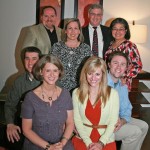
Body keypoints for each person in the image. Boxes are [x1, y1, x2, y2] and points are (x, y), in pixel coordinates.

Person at [21, 55, 74, 150]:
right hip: (36, 145)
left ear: (59, 72)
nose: (52, 74)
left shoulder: (65, 94)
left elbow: (70, 122)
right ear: (41, 71)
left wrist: (63, 142)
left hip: (61, 144)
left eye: (55, 70)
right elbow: (26, 130)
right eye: (48, 70)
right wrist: (49, 147)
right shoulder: (30, 97)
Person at [72, 56, 119, 150]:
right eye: (90, 73)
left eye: (97, 74)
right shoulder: (76, 93)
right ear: (85, 74)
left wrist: (101, 143)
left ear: (103, 75)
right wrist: (89, 143)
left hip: (106, 140)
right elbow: (77, 120)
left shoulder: (113, 94)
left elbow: (113, 121)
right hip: (83, 138)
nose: (93, 78)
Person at [107, 51, 148, 150]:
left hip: (118, 120)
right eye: (115, 63)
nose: (118, 67)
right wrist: (117, 121)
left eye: (122, 64)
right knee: (135, 132)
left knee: (144, 126)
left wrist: (123, 121)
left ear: (126, 68)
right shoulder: (100, 82)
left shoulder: (122, 86)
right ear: (108, 64)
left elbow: (127, 108)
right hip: (104, 124)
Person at [4, 47, 42, 150]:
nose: (30, 62)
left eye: (34, 58)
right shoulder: (19, 82)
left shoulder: (49, 78)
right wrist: (10, 124)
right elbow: (9, 105)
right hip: (25, 124)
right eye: (27, 58)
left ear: (40, 61)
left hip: (45, 125)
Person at [51, 18, 92, 92]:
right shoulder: (57, 47)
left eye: (76, 28)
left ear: (79, 31)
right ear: (65, 31)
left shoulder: (86, 48)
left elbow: (90, 69)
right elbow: (51, 67)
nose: (73, 31)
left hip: (80, 89)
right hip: (58, 88)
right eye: (70, 28)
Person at [105, 18, 143, 91]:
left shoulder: (130, 46)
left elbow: (138, 66)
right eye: (115, 28)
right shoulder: (110, 44)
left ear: (126, 30)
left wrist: (125, 78)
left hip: (121, 83)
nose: (117, 32)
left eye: (121, 29)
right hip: (108, 82)